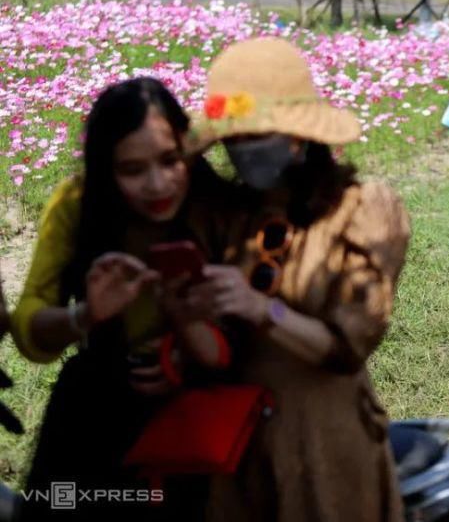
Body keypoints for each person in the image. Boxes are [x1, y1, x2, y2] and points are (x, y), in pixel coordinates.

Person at [180, 37, 410, 522]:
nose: (243, 151)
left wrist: (263, 310)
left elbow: (349, 346)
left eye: (257, 136)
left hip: (324, 443)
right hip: (236, 447)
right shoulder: (223, 216)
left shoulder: (358, 210)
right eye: (233, 140)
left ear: (298, 136)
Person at [9, 78, 234, 522]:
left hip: (203, 423)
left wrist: (183, 354)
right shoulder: (77, 205)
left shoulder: (219, 207)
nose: (157, 184)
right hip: (94, 421)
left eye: (170, 161)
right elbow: (29, 329)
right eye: (132, 170)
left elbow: (260, 322)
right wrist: (85, 315)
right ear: (104, 169)